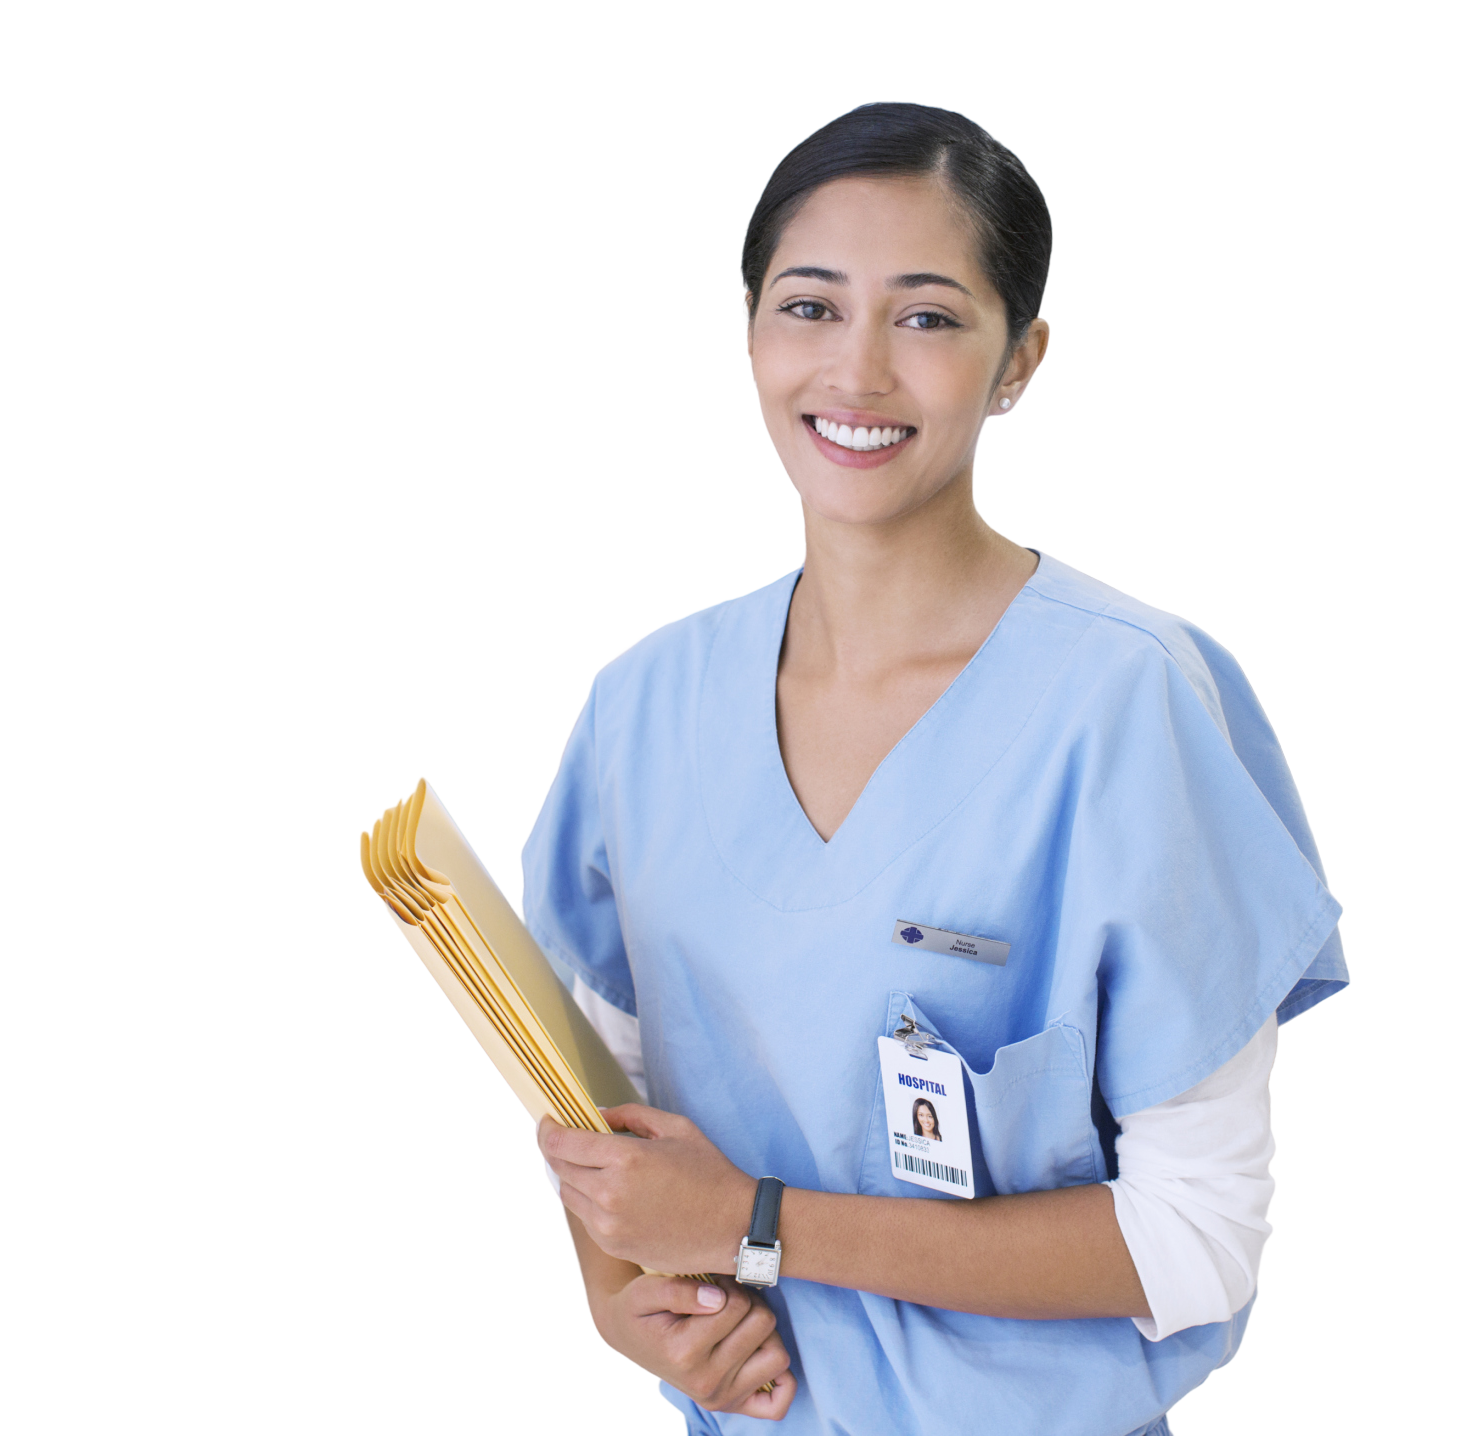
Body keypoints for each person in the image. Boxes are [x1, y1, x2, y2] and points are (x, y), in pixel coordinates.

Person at [527, 101, 1347, 1435]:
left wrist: (754, 1225)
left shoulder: (1129, 700)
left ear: (1018, 361)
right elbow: (589, 1099)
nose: (855, 371)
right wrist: (623, 1304)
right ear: (748, 330)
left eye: (925, 317)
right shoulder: (644, 705)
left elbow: (1195, 1243)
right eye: (809, 306)